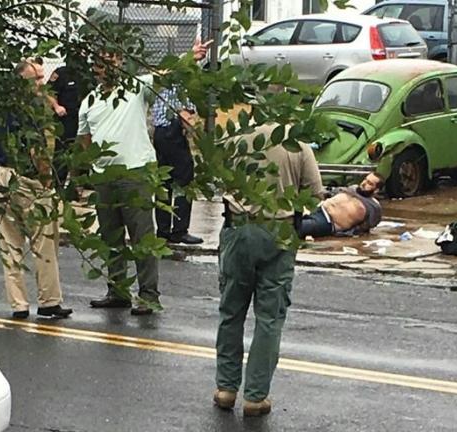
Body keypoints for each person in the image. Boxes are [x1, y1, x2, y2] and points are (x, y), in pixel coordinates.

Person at [78, 40, 210, 315]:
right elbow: (85, 138)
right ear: (95, 68)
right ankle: (118, 290)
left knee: (142, 237)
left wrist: (191, 57)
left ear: (120, 63)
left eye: (112, 60)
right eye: (101, 62)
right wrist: (94, 166)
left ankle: (148, 295)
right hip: (105, 176)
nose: (107, 66)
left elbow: (167, 76)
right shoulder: (89, 100)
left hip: (135, 172)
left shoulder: (135, 88)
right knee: (110, 237)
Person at [213, 124, 325, 417]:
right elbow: (314, 195)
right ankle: (255, 395)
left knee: (231, 311)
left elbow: (219, 184)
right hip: (280, 232)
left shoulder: (235, 139)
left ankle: (226, 388)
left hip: (238, 228)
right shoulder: (298, 144)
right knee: (269, 317)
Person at [0, 59, 72, 319]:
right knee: (44, 238)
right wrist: (46, 179)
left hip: (2, 174)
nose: (41, 83)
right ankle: (49, 301)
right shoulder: (32, 110)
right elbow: (36, 149)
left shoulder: (2, 107)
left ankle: (18, 304)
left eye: (41, 77)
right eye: (35, 79)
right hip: (27, 177)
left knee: (9, 241)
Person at [151, 84, 204, 245]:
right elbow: (184, 113)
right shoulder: (182, 81)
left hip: (160, 132)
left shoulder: (163, 79)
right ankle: (179, 231)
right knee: (184, 179)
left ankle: (163, 230)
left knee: (164, 180)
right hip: (173, 130)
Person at [298, 173, 383, 238]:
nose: (364, 183)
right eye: (365, 179)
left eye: (370, 183)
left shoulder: (374, 207)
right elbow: (330, 193)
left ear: (376, 190)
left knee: (300, 227)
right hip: (319, 207)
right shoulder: (352, 188)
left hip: (328, 222)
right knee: (289, 217)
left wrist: (348, 233)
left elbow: (366, 227)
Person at [47, 64, 80, 187]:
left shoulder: (88, 73)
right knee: (62, 149)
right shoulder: (61, 72)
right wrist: (56, 107)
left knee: (82, 150)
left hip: (83, 117)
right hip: (66, 118)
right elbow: (48, 92)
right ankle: (58, 184)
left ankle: (78, 185)